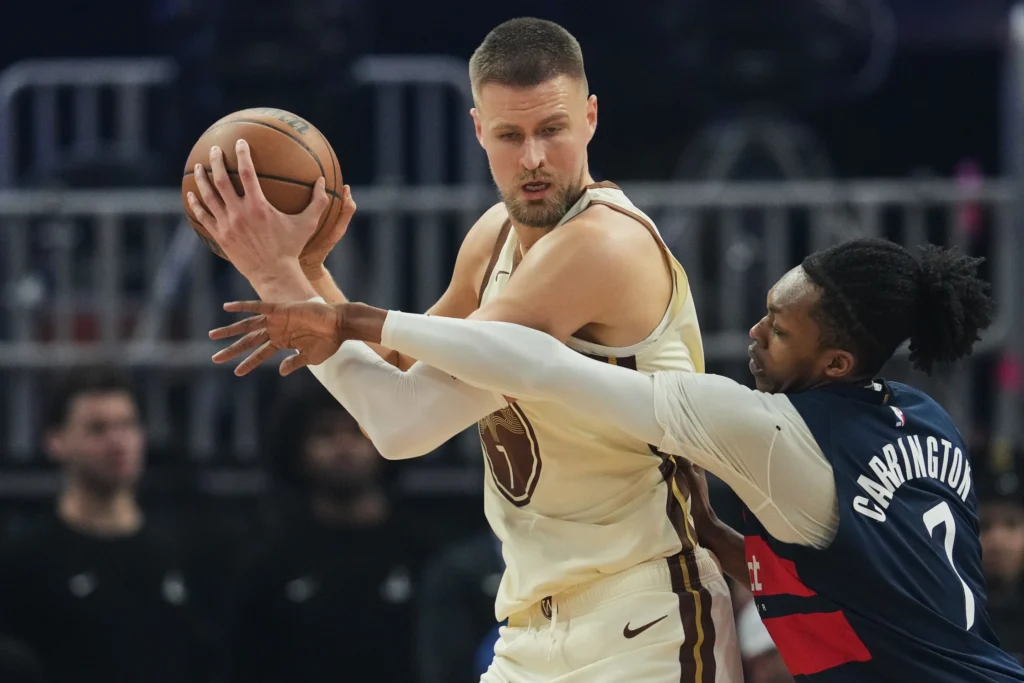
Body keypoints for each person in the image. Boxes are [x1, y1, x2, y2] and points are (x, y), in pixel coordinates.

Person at [188, 15, 742, 682]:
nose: (532, 158)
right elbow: (398, 373)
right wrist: (305, 269)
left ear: (591, 118)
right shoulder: (493, 235)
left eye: (553, 130)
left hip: (645, 617)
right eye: (510, 135)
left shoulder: (602, 246)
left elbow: (404, 423)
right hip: (532, 619)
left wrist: (276, 276)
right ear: (479, 129)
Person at [210, 237, 1024, 682]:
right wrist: (720, 539)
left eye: (780, 329)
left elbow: (540, 367)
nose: (754, 333)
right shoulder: (925, 419)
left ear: (836, 362)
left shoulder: (768, 431)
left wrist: (355, 319)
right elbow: (878, 574)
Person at [0, 367, 209, 683]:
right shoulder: (26, 561)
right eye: (97, 429)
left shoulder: (179, 552)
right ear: (55, 441)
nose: (117, 442)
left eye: (127, 425)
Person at [227, 384, 434, 683]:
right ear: (297, 450)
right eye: (324, 433)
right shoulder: (269, 564)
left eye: (359, 432)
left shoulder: (426, 556)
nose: (343, 446)